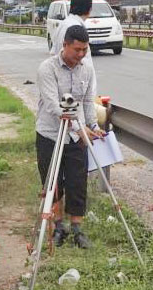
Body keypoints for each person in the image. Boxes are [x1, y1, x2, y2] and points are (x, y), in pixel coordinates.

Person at [36, 25, 104, 249]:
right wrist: (78, 129)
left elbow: (86, 102)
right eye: (77, 49)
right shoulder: (48, 68)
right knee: (53, 183)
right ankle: (58, 226)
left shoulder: (87, 70)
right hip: (51, 134)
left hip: (77, 137)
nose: (81, 54)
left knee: (77, 181)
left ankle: (77, 228)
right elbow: (53, 105)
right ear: (65, 45)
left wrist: (92, 126)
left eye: (85, 49)